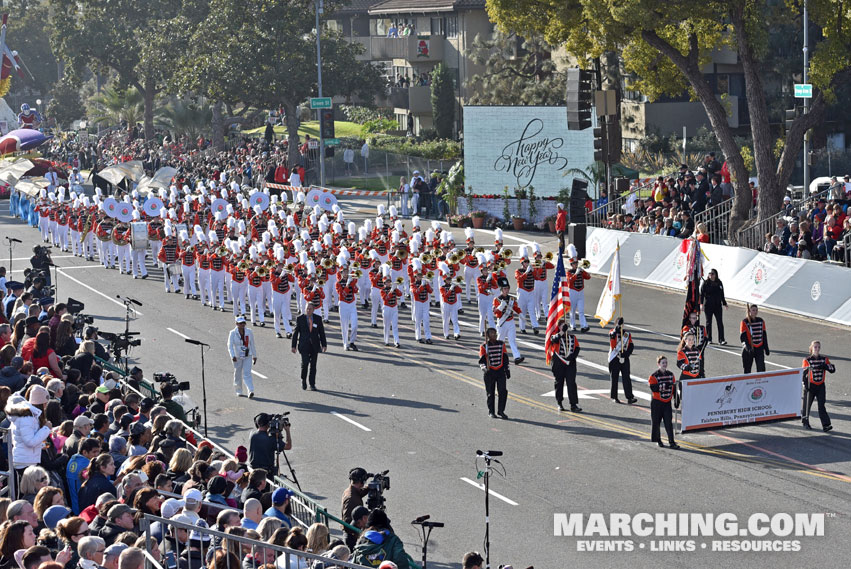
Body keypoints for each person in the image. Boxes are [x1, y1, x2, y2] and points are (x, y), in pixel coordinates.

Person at [291, 302, 326, 391]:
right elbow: (295, 333)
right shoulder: (300, 319)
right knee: (305, 363)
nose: (308, 310)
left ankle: (312, 384)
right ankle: (303, 380)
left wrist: (324, 344)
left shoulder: (318, 319)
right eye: (307, 308)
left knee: (313, 366)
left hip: (314, 345)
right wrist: (293, 346)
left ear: (313, 310)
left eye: (310, 309)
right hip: (304, 345)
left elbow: (321, 332)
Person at [547, 319, 581, 412]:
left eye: (565, 325)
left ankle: (573, 404)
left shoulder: (572, 337)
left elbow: (577, 348)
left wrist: (572, 356)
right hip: (559, 363)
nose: (564, 326)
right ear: (559, 327)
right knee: (559, 383)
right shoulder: (556, 336)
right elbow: (554, 340)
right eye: (562, 325)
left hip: (570, 363)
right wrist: (562, 332)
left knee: (571, 383)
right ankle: (559, 403)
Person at [802, 341, 835, 432]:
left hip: (820, 385)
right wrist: (805, 385)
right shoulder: (807, 360)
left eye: (818, 347)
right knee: (807, 405)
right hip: (810, 385)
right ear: (811, 348)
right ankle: (805, 422)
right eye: (815, 347)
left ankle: (826, 425)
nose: (817, 349)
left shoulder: (824, 359)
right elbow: (803, 374)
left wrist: (826, 366)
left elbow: (832, 369)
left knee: (821, 405)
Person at [478, 327, 510, 419]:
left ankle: (501, 411)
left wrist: (507, 370)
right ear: (488, 336)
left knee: (503, 391)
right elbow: (481, 361)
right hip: (490, 372)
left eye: (495, 333)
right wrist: (485, 369)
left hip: (500, 371)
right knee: (490, 393)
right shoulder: (484, 346)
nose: (494, 335)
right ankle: (491, 411)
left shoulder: (501, 344)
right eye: (492, 333)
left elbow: (505, 358)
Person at [648, 355, 679, 449]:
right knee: (656, 422)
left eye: (666, 362)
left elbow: (674, 388)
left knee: (668, 423)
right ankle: (658, 440)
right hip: (657, 403)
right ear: (658, 364)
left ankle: (672, 442)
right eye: (663, 363)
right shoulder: (653, 376)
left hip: (667, 403)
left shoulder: (671, 374)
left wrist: (676, 399)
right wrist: (665, 385)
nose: (665, 364)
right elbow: (653, 388)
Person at [492, 278, 523, 365]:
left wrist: (520, 313)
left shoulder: (512, 299)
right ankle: (495, 356)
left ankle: (517, 357)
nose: (506, 290)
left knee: (512, 340)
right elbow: (496, 313)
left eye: (507, 288)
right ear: (501, 290)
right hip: (502, 322)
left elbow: (516, 308)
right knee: (500, 341)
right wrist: (501, 307)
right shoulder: (497, 299)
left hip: (510, 321)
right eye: (505, 289)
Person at [608, 318, 637, 404]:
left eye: (622, 324)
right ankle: (614, 397)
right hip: (614, 358)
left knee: (626, 378)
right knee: (614, 378)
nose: (621, 325)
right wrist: (617, 328)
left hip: (624, 357)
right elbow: (612, 342)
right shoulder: (612, 332)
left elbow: (631, 345)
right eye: (619, 323)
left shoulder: (627, 334)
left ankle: (629, 397)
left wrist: (626, 354)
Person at [227, 316, 257, 398]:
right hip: (237, 356)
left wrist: (255, 355)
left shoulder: (249, 332)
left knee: (247, 373)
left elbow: (252, 344)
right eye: (240, 323)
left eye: (243, 323)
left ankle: (250, 390)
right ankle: (238, 390)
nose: (242, 325)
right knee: (238, 373)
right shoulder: (232, 333)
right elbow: (230, 346)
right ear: (236, 324)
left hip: (248, 355)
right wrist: (232, 356)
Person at [700, 269, 727, 344]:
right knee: (709, 322)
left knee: (720, 322)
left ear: (716, 275)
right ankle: (709, 339)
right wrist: (701, 304)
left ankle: (721, 339)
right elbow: (701, 294)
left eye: (712, 274)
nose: (711, 275)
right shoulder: (705, 283)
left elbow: (722, 294)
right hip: (708, 305)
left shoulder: (719, 283)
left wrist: (724, 303)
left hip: (717, 305)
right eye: (710, 274)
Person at [565, 252, 590, 332]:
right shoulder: (569, 272)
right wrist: (576, 273)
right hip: (572, 292)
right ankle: (573, 325)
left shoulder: (580, 271)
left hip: (581, 292)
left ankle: (584, 326)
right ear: (571, 264)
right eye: (574, 263)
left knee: (581, 311)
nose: (576, 265)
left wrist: (583, 271)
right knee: (572, 310)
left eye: (576, 263)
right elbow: (570, 282)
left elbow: (588, 277)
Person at [740, 304, 769, 374]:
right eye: (753, 310)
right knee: (747, 369)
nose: (755, 312)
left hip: (759, 348)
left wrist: (766, 347)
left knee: (761, 368)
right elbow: (743, 337)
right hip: (749, 349)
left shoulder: (761, 321)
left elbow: (764, 335)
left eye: (756, 310)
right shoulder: (744, 322)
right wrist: (747, 347)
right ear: (749, 311)